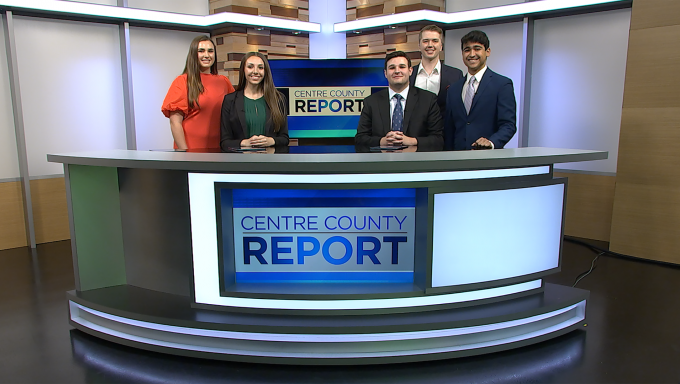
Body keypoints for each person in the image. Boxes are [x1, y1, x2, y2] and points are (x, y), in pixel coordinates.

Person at [444, 30, 516, 150]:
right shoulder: (453, 89)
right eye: (467, 50)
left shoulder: (502, 84)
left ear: (487, 51)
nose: (472, 54)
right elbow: (449, 129)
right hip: (457, 160)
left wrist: (491, 142)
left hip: (488, 160)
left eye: (477, 48)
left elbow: (508, 125)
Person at [355, 51, 443, 148]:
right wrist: (382, 141)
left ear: (410, 71)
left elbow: (438, 139)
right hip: (382, 161)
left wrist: (411, 141)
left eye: (402, 67)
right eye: (392, 68)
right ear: (385, 73)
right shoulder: (371, 102)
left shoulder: (428, 100)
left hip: (416, 161)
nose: (397, 71)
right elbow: (360, 139)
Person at [161, 36, 235, 150]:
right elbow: (175, 123)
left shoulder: (224, 82)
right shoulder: (182, 81)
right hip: (191, 148)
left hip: (220, 148)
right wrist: (184, 152)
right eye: (201, 51)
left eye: (210, 51)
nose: (206, 55)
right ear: (193, 54)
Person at [220, 52, 289, 149]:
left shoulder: (278, 99)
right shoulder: (230, 100)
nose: (255, 71)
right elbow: (225, 142)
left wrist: (270, 141)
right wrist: (245, 143)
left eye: (260, 68)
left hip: (270, 161)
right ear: (243, 70)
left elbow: (285, 138)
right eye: (250, 67)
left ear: (266, 71)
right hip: (241, 161)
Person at [409, 25, 463, 117]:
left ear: (441, 46)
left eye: (435, 41)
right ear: (419, 46)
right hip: (414, 131)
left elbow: (458, 109)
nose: (430, 45)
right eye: (426, 41)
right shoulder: (409, 74)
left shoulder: (456, 75)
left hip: (443, 130)